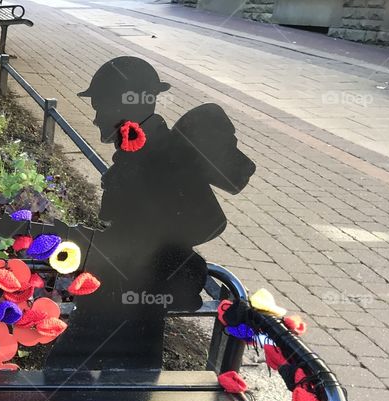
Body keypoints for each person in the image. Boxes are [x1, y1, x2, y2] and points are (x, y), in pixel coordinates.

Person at [49, 57, 256, 369]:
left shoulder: (154, 160)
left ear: (123, 105)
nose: (94, 119)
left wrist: (65, 238)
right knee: (126, 375)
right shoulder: (143, 153)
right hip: (130, 295)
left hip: (128, 297)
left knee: (68, 372)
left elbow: (133, 243)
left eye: (99, 106)